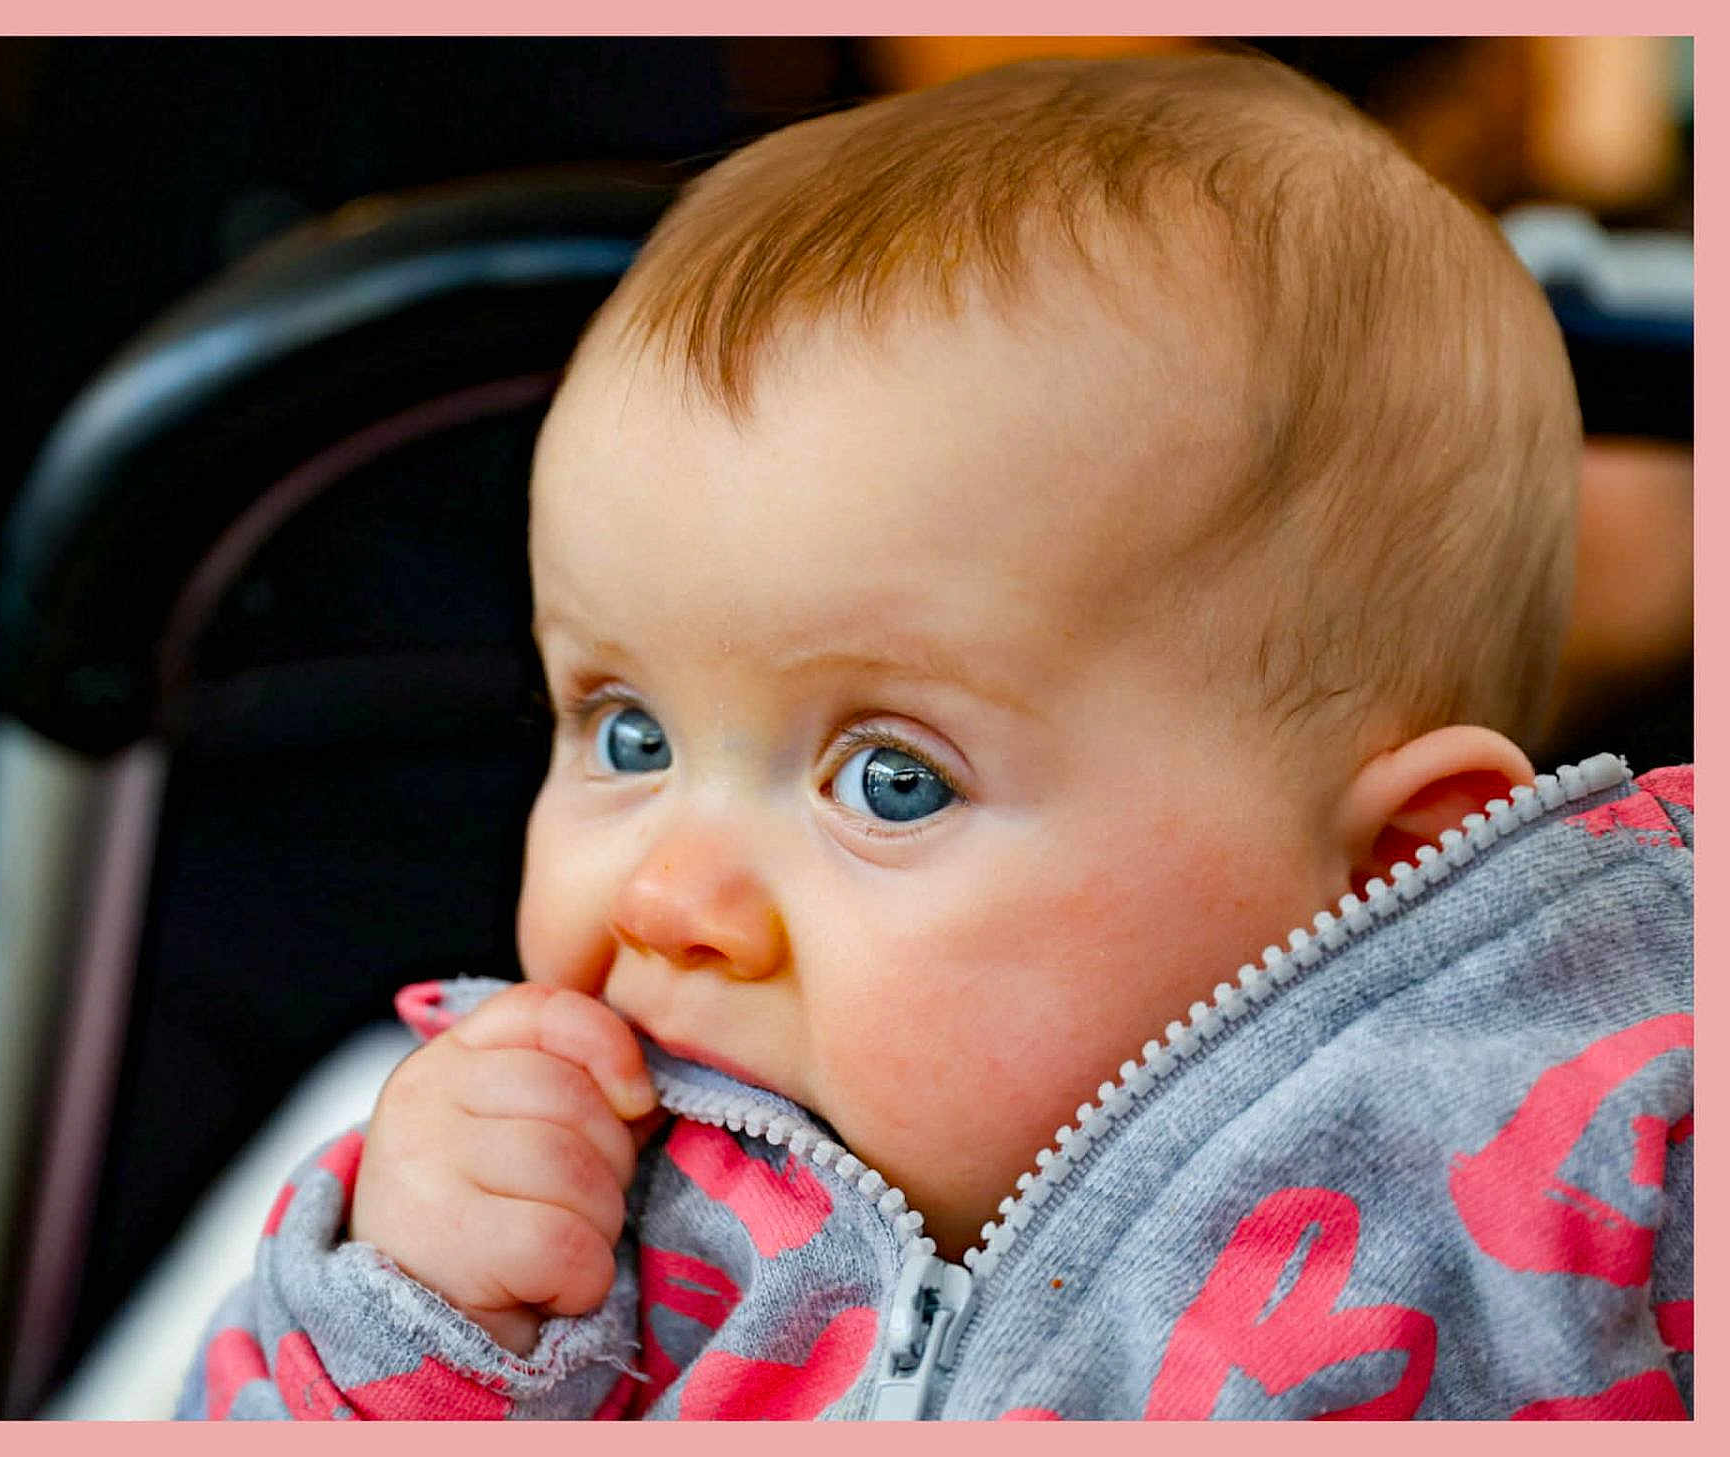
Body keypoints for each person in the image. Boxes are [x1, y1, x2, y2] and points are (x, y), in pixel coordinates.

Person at [179, 52, 1692, 1420]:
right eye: (628, 735)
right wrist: (409, 1326)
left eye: (891, 780)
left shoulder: (1588, 1189)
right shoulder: (545, 1219)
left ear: (1391, 871)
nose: (666, 898)